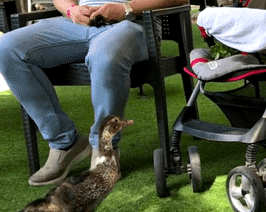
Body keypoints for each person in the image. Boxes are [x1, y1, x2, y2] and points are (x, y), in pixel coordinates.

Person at [0, 0, 187, 186]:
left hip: (132, 24)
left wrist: (125, 8)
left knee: (104, 56)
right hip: (77, 25)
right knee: (6, 48)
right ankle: (65, 143)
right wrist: (72, 10)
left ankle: (104, 149)